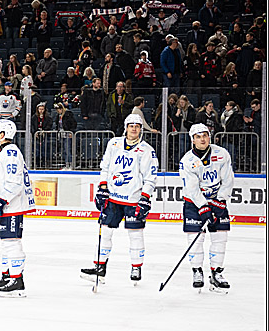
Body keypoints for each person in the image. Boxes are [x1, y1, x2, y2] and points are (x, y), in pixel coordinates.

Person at [80, 114, 159, 285]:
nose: (134, 129)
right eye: (131, 126)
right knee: (105, 231)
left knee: (135, 234)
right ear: (126, 127)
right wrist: (102, 188)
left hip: (133, 199)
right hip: (113, 199)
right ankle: (100, 267)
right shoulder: (114, 144)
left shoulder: (147, 150)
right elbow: (105, 167)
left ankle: (136, 267)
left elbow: (150, 177)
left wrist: (145, 198)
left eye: (137, 126)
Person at [178, 123, 234, 292]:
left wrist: (219, 201)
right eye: (198, 137)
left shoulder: (222, 154)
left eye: (205, 135)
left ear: (209, 136)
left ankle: (216, 273)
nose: (202, 139)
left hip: (217, 201)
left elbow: (228, 180)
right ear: (192, 140)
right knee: (195, 239)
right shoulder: (187, 161)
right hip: (194, 204)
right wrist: (203, 207)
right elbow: (192, 188)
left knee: (220, 238)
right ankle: (197, 271)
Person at [0, 119, 35, 297]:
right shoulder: (4, 152)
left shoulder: (10, 153)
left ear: (2, 135)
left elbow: (15, 182)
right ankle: (8, 274)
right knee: (6, 242)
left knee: (12, 242)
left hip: (13, 205)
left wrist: (1, 200)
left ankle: (17, 280)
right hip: (9, 205)